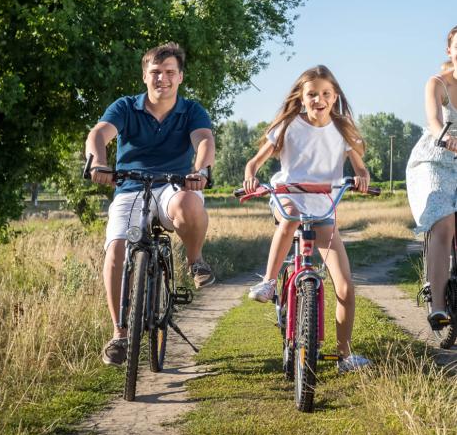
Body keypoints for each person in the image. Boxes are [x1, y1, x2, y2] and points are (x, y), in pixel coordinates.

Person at [85, 42, 216, 366]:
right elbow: (99, 134)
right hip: (131, 186)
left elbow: (204, 141)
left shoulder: (192, 110)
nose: (163, 79)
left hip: (175, 184)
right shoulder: (126, 107)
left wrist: (199, 171)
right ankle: (119, 333)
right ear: (145, 76)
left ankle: (195, 260)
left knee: (190, 205)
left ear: (180, 77)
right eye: (156, 72)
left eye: (169, 72)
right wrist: (99, 162)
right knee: (116, 249)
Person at [242, 65, 372, 373]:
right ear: (301, 97)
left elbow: (361, 168)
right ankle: (269, 282)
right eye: (312, 94)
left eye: (325, 93)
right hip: (288, 194)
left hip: (324, 204)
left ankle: (344, 356)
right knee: (290, 219)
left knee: (345, 287)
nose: (318, 99)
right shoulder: (288, 125)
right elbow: (254, 162)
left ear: (335, 96)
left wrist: (362, 177)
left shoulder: (342, 129)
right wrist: (250, 177)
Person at [406, 26, 457, 329]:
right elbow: (434, 120)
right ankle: (438, 305)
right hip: (435, 159)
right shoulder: (437, 83)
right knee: (444, 220)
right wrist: (447, 137)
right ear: (450, 51)